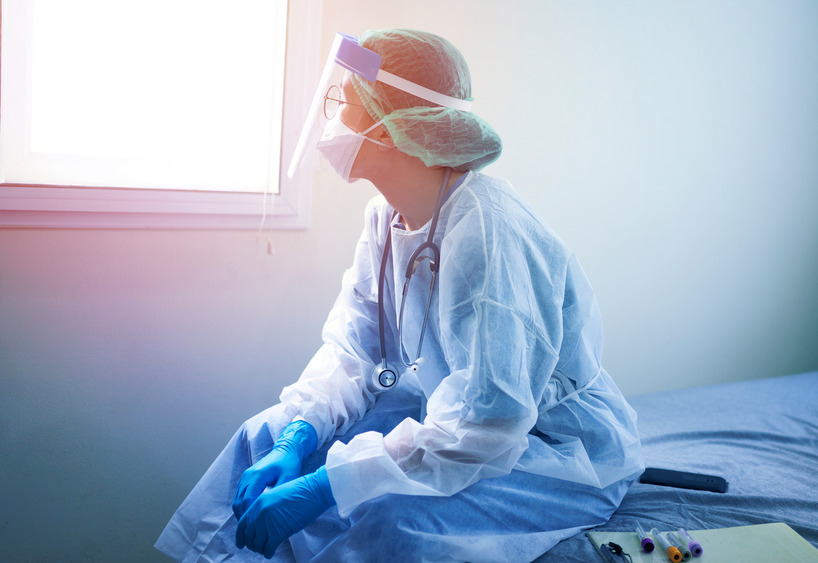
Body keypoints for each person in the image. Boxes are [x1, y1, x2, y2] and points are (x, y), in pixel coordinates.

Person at [155, 28, 643, 562]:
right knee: (262, 437)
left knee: (384, 522)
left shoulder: (487, 230)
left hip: (549, 448)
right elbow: (355, 348)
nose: (336, 116)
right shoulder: (385, 218)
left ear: (397, 125)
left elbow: (488, 424)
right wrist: (299, 435)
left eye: (350, 100)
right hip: (456, 411)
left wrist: (326, 486)